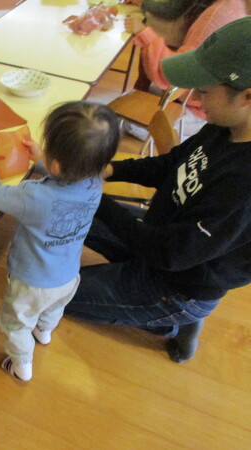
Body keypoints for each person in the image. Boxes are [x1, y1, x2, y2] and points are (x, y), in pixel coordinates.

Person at [65, 16, 251, 363]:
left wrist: (97, 199)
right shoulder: (225, 126)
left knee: (50, 294)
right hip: (161, 237)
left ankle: (173, 321)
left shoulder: (243, 188)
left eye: (204, 92)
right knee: (70, 209)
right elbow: (173, 163)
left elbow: (170, 254)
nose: (197, 101)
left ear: (247, 96)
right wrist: (110, 170)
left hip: (177, 285)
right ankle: (167, 314)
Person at [0, 102, 120, 381]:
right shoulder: (95, 183)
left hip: (31, 283)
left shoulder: (34, 197)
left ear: (57, 164)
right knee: (53, 308)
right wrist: (42, 159)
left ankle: (21, 366)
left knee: (15, 324)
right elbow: (70, 175)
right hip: (68, 276)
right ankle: (44, 331)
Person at [124, 0, 245, 136]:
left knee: (127, 121)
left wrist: (145, 34)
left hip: (199, 112)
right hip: (202, 103)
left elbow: (176, 74)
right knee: (135, 100)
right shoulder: (235, 8)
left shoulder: (217, 15)